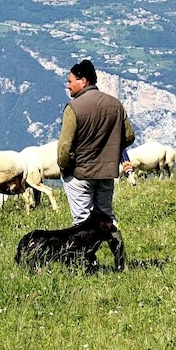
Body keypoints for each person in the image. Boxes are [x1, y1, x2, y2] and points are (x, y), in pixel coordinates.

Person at [57, 59, 135, 271]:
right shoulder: (115, 105)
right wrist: (108, 149)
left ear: (83, 81)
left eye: (70, 81)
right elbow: (128, 136)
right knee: (107, 217)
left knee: (82, 220)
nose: (68, 85)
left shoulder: (74, 108)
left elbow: (65, 147)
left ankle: (87, 264)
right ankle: (121, 261)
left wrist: (65, 168)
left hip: (80, 174)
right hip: (107, 173)